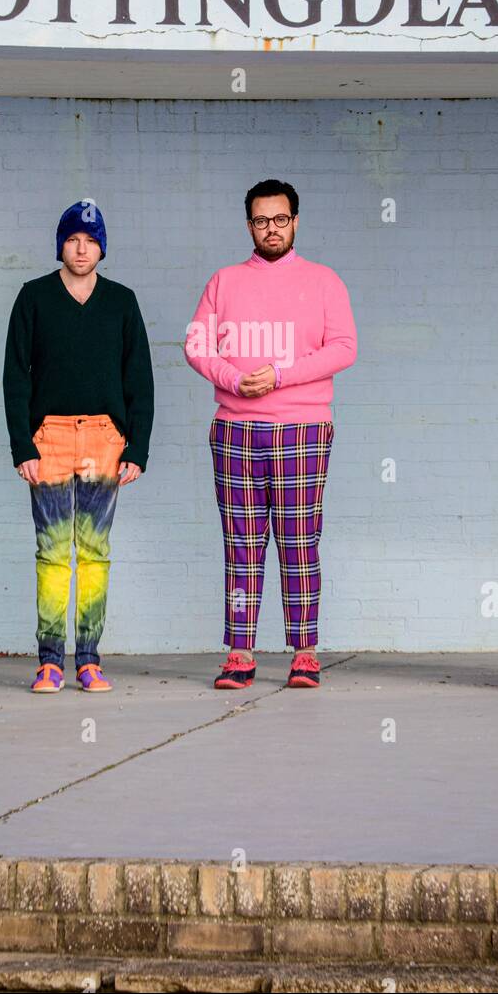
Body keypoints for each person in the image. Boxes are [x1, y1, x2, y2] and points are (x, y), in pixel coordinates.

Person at [184, 179, 357, 690]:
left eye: (281, 220)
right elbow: (196, 345)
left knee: (300, 541)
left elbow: (344, 348)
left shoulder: (325, 281)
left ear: (296, 222)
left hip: (303, 427)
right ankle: (240, 653)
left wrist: (279, 375)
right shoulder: (223, 281)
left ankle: (305, 652)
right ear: (249, 226)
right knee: (241, 542)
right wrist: (235, 379)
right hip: (236, 429)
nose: (272, 229)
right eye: (262, 221)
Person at [3, 199, 153, 694]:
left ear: (102, 248)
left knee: (93, 553)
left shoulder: (122, 302)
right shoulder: (34, 297)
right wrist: (22, 444)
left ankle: (88, 659)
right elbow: (14, 377)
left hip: (105, 440)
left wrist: (138, 448)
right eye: (72, 239)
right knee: (51, 553)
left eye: (91, 240)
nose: (81, 248)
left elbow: (140, 379)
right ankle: (49, 662)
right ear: (60, 245)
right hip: (49, 439)